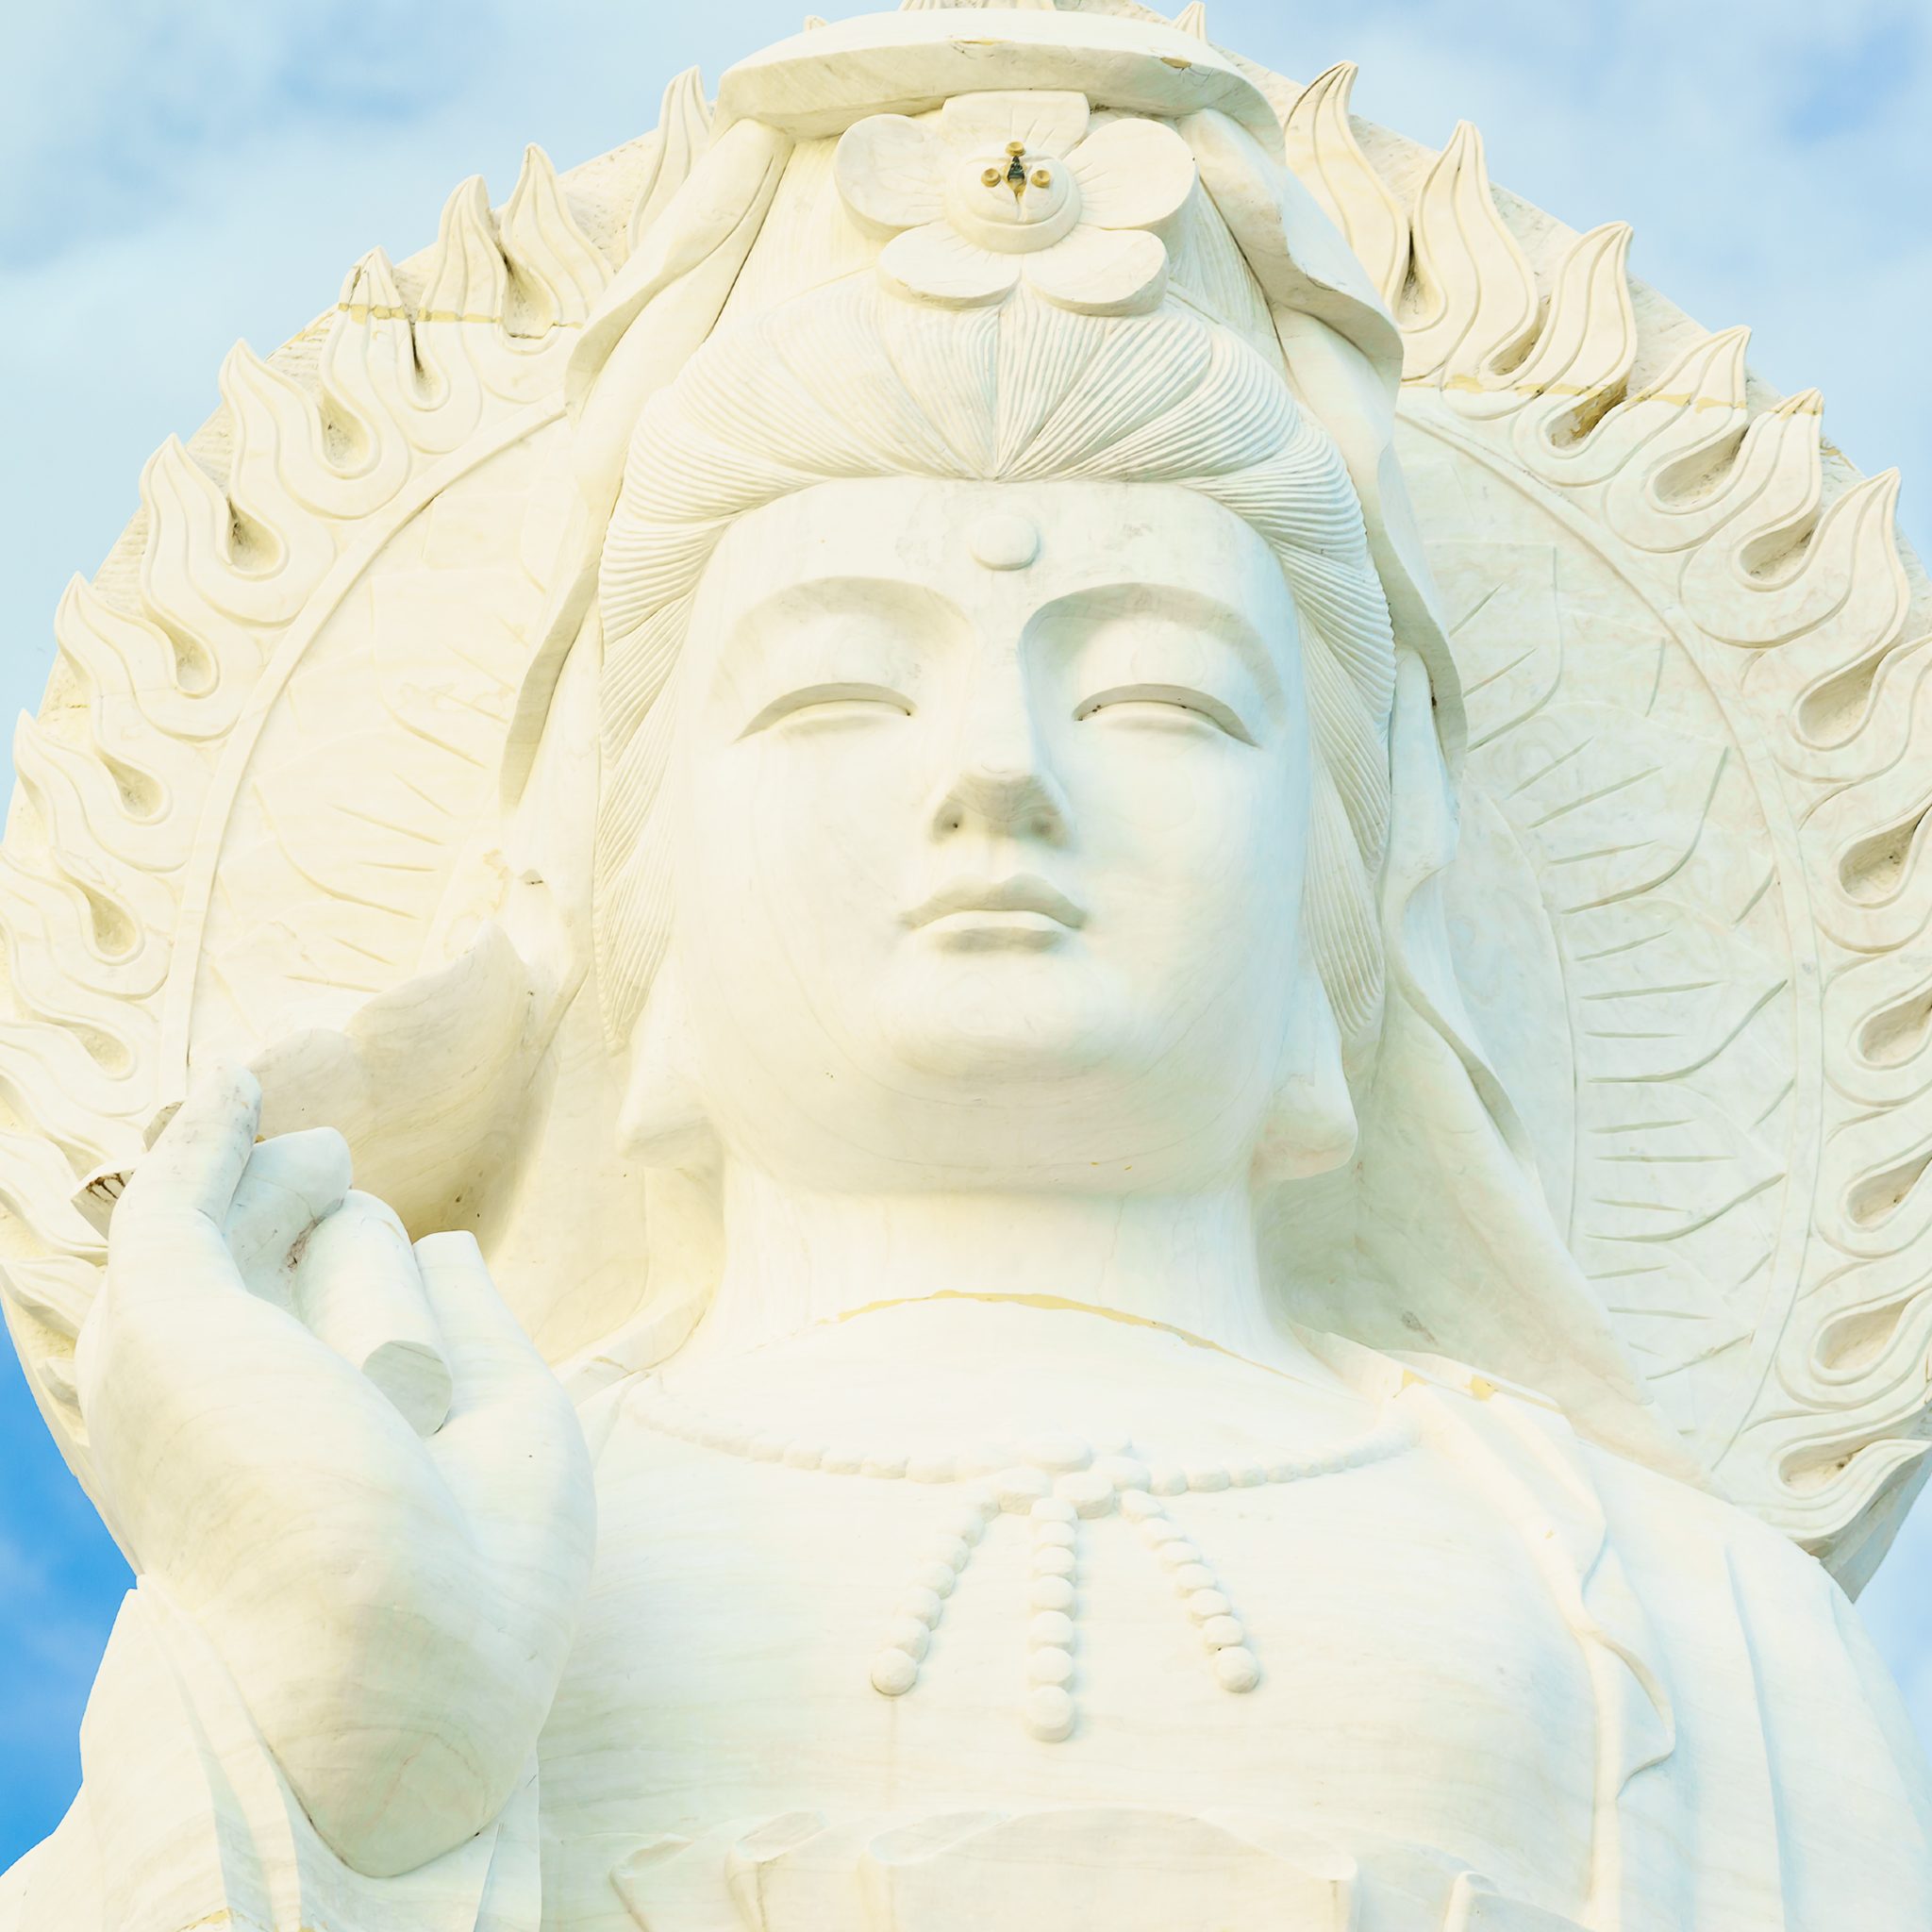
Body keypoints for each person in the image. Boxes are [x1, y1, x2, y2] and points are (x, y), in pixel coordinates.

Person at [6, 17, 1928, 1931]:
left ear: (1347, 902)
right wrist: (346, 1778)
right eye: (841, 686)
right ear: (627, 893)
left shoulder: (1683, 1627)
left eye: (1155, 690)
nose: (997, 767)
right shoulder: (428, 1553)